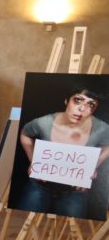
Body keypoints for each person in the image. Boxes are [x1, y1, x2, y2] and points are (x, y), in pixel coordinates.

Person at [17, 88, 109, 219]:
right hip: (39, 186)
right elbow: (25, 134)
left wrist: (93, 166)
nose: (82, 109)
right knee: (23, 221)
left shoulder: (101, 129)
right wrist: (33, 161)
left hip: (74, 191)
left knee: (70, 231)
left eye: (91, 104)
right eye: (78, 100)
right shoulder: (44, 122)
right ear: (67, 100)